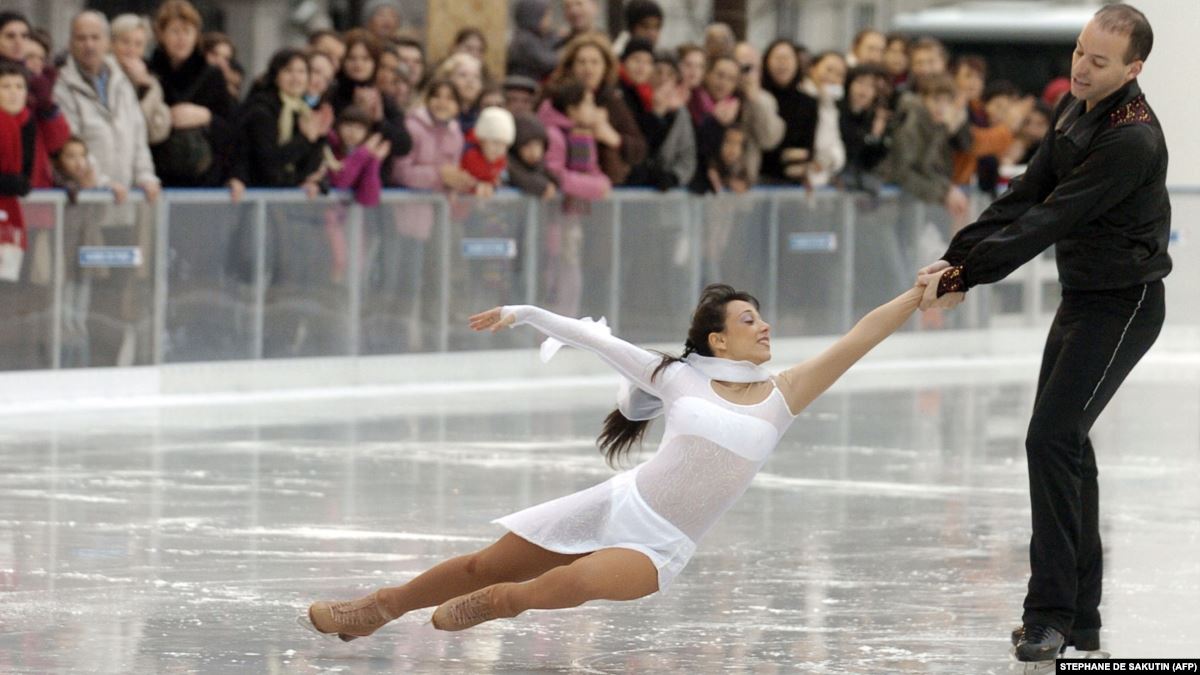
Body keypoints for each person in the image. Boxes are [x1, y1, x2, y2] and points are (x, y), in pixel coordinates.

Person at [304, 276, 929, 638]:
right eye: (749, 319)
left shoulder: (784, 396)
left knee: (570, 583)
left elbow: (862, 335)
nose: (764, 327)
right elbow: (595, 339)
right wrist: (523, 313)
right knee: (482, 563)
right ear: (719, 339)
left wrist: (920, 294)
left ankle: (504, 603)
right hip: (616, 504)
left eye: (762, 319)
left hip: (660, 545)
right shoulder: (676, 377)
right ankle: (378, 607)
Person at [916, 4, 1169, 663]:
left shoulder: (1131, 138)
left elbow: (1052, 220)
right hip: (1083, 298)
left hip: (1124, 305)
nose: (1082, 67)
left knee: (1051, 437)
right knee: (1064, 443)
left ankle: (1050, 613)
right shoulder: (1074, 108)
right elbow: (1026, 193)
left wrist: (971, 272)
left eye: (1100, 60)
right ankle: (1079, 615)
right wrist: (958, 255)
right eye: (1080, 52)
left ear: (1134, 69)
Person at [54, 11, 161, 204]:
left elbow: (138, 133)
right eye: (81, 38)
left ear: (107, 42)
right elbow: (72, 141)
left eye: (95, 37)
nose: (89, 45)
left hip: (128, 197)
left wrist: (145, 176)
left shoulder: (121, 80)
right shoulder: (61, 84)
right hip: (88, 198)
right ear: (70, 43)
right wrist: (102, 183)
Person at [110, 14, 172, 145]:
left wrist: (145, 87)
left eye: (138, 44)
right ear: (112, 43)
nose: (131, 49)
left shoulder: (151, 83)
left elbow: (158, 131)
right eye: (125, 42)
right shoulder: (102, 73)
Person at [507, 0, 557, 82]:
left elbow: (550, 43)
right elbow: (547, 62)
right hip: (522, 87)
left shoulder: (531, 36)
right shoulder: (524, 40)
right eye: (546, 15)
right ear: (534, 16)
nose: (550, 20)